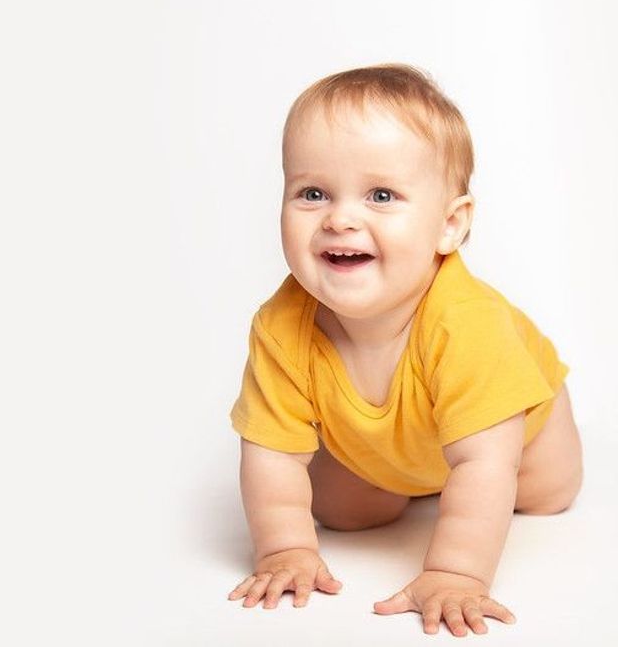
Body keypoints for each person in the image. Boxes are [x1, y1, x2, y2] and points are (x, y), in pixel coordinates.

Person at [226, 63, 583, 637]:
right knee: (343, 515)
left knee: (546, 493)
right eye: (312, 193)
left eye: (382, 195)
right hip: (383, 445)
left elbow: (487, 463)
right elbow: (271, 452)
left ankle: (469, 479)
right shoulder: (280, 327)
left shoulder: (469, 325)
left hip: (513, 429)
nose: (340, 218)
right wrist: (284, 551)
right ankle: (417, 479)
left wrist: (454, 573)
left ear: (449, 225)